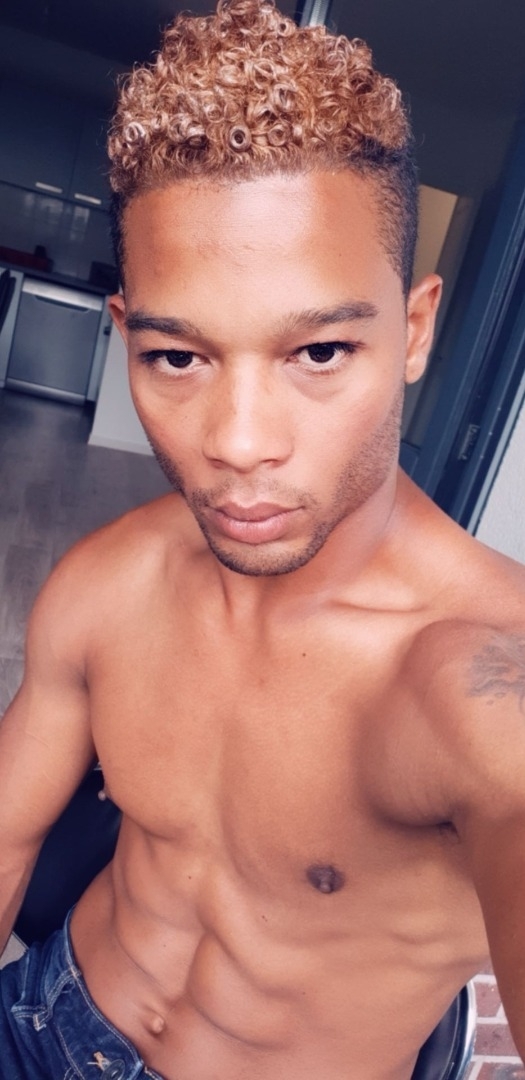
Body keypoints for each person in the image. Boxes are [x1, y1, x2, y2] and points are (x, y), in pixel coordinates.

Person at [1, 1, 524, 1077]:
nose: (238, 444)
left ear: (414, 331)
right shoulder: (106, 584)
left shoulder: (481, 679)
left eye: (319, 353)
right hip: (46, 1022)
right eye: (179, 359)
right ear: (126, 338)